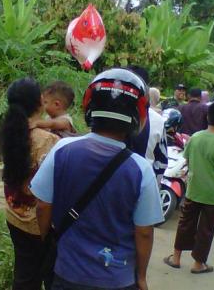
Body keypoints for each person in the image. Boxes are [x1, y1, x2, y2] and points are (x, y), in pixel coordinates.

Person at [31, 68, 163, 290]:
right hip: (117, 280)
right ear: (138, 115)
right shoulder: (141, 169)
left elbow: (43, 206)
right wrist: (141, 276)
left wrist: (48, 241)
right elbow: (144, 232)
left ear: (89, 106)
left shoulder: (62, 149)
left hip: (67, 273)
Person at [0, 78, 60, 289]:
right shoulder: (47, 140)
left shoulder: (9, 132)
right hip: (39, 223)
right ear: (40, 101)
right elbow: (51, 191)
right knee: (46, 276)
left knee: (24, 274)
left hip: (14, 214)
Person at [163, 102, 214, 274]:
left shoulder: (194, 137)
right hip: (212, 195)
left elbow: (187, 160)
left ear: (207, 117)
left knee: (185, 224)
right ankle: (198, 264)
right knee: (206, 229)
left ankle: (176, 258)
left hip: (193, 191)